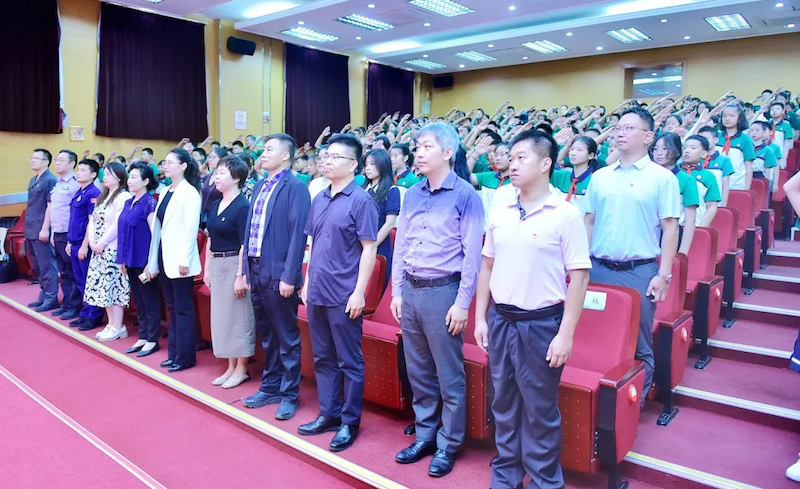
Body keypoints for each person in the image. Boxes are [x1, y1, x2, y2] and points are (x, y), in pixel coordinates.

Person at [474, 129, 591, 489]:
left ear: (545, 163)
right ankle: (506, 476)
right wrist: (480, 316)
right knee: (503, 405)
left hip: (541, 325)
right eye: (511, 156)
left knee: (540, 411)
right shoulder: (501, 204)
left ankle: (544, 482)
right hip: (500, 319)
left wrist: (565, 335)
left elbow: (580, 277)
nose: (513, 163)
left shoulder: (565, 214)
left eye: (522, 157)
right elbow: (487, 264)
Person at [391, 122, 484, 478]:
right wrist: (397, 291)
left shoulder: (465, 196)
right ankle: (426, 434)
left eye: (426, 146)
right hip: (411, 291)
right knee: (419, 372)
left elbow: (472, 257)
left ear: (448, 152)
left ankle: (448, 444)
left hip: (444, 291)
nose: (418, 152)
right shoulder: (412, 193)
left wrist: (462, 303)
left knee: (449, 375)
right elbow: (400, 246)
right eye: (417, 147)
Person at [584, 107, 680, 402]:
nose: (620, 133)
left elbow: (670, 228)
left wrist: (663, 275)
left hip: (638, 272)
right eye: (618, 128)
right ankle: (597, 404)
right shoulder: (600, 177)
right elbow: (589, 220)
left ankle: (629, 412)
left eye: (629, 128)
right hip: (598, 268)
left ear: (648, 137)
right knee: (593, 336)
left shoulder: (662, 179)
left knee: (637, 343)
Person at [298, 133, 378, 452]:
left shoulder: (361, 201)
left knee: (349, 361)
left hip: (344, 294)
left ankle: (349, 422)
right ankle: (328, 414)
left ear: (353, 165)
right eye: (325, 156)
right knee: (322, 358)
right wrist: (306, 282)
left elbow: (369, 249)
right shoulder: (319, 197)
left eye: (335, 157)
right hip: (317, 290)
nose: (327, 161)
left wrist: (360, 293)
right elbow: (313, 243)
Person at [241, 134, 311, 420]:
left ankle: (290, 394)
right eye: (264, 148)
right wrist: (246, 269)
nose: (264, 153)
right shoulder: (259, 186)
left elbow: (298, 235)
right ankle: (270, 387)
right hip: (257, 268)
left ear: (286, 156)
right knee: (267, 334)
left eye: (270, 149)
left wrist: (290, 276)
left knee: (287, 336)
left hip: (279, 272)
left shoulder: (296, 187)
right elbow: (250, 230)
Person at [146, 148, 202, 373]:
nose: (165, 166)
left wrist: (185, 259)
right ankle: (174, 353)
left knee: (183, 308)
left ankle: (186, 356)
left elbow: (190, 230)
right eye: (164, 162)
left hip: (180, 258)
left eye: (170, 163)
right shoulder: (166, 189)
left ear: (183, 166)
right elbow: (159, 227)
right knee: (171, 306)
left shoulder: (189, 193)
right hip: (164, 254)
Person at [204, 155, 255, 389]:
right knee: (223, 318)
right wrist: (207, 267)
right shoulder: (216, 204)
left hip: (235, 264)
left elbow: (246, 243)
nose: (216, 177)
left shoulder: (243, 206)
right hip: (217, 264)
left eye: (222, 173)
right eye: (216, 173)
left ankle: (242, 368)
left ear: (236, 178)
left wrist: (240, 275)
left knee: (239, 318)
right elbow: (211, 237)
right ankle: (230, 365)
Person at [83, 162, 133, 342]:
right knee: (103, 289)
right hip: (98, 250)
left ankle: (118, 326)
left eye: (110, 174)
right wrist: (91, 240)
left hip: (112, 249)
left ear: (119, 177)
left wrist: (102, 243)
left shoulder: (124, 196)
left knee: (114, 288)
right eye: (105, 174)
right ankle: (111, 324)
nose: (106, 177)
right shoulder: (103, 195)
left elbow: (117, 224)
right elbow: (93, 220)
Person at [117, 163, 161, 356]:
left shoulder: (150, 203)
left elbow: (156, 235)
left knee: (150, 301)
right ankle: (142, 336)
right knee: (139, 301)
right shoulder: (129, 202)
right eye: (130, 177)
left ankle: (152, 339)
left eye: (135, 177)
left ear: (146, 181)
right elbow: (123, 232)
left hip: (144, 261)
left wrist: (152, 263)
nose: (130, 181)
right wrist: (122, 259)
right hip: (131, 259)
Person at [66, 159, 105, 331]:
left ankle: (94, 316)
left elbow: (92, 223)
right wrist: (69, 241)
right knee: (80, 280)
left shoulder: (93, 193)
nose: (78, 172)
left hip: (85, 244)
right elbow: (74, 219)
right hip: (74, 242)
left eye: (83, 170)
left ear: (93, 174)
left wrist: (84, 245)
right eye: (78, 169)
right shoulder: (78, 191)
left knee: (90, 281)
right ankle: (85, 312)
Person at [651, 132, 699, 255]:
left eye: (665, 149)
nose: (659, 153)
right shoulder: (647, 176)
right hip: (648, 232)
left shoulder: (686, 180)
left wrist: (683, 251)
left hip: (672, 232)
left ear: (677, 152)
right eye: (655, 149)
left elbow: (690, 221)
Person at [47, 150, 82, 320]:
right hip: (58, 233)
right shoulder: (57, 183)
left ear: (71, 164)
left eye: (61, 160)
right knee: (64, 271)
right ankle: (67, 303)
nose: (57, 162)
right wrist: (53, 232)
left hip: (70, 234)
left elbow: (75, 214)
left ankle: (75, 306)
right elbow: (55, 210)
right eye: (56, 159)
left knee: (73, 270)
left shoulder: (76, 184)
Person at [25, 148, 59, 312]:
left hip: (41, 228)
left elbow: (50, 206)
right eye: (31, 157)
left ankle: (51, 297)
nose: (32, 160)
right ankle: (44, 294)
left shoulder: (50, 180)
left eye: (36, 158)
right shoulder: (34, 179)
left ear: (46, 162)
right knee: (37, 265)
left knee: (47, 264)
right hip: (31, 227)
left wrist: (45, 229)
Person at [362, 148, 400, 290]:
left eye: (372, 164)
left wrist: (371, 245)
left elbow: (389, 224)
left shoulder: (392, 190)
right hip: (358, 243)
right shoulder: (362, 189)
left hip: (379, 244)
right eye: (366, 164)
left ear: (383, 165)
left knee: (374, 288)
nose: (368, 168)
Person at [683, 136, 721, 227]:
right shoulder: (674, 172)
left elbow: (712, 206)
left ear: (703, 154)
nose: (687, 151)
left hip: (696, 224)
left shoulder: (708, 176)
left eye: (693, 148)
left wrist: (701, 227)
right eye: (684, 148)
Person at [720, 104, 755, 191]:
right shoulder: (716, 137)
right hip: (717, 183)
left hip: (736, 183)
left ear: (739, 119)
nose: (727, 118)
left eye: (731, 116)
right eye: (724, 116)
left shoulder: (746, 139)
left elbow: (748, 164)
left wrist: (747, 188)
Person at [697, 126, 735, 206]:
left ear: (716, 140)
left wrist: (723, 206)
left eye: (706, 138)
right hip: (698, 203)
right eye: (700, 139)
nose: (703, 142)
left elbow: (725, 186)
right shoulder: (695, 159)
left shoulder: (724, 160)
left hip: (715, 203)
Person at [200, 147, 226, 229]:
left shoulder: (224, 178)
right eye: (209, 157)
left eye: (213, 157)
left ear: (222, 159)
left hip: (215, 217)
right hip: (202, 216)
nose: (210, 160)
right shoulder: (208, 176)